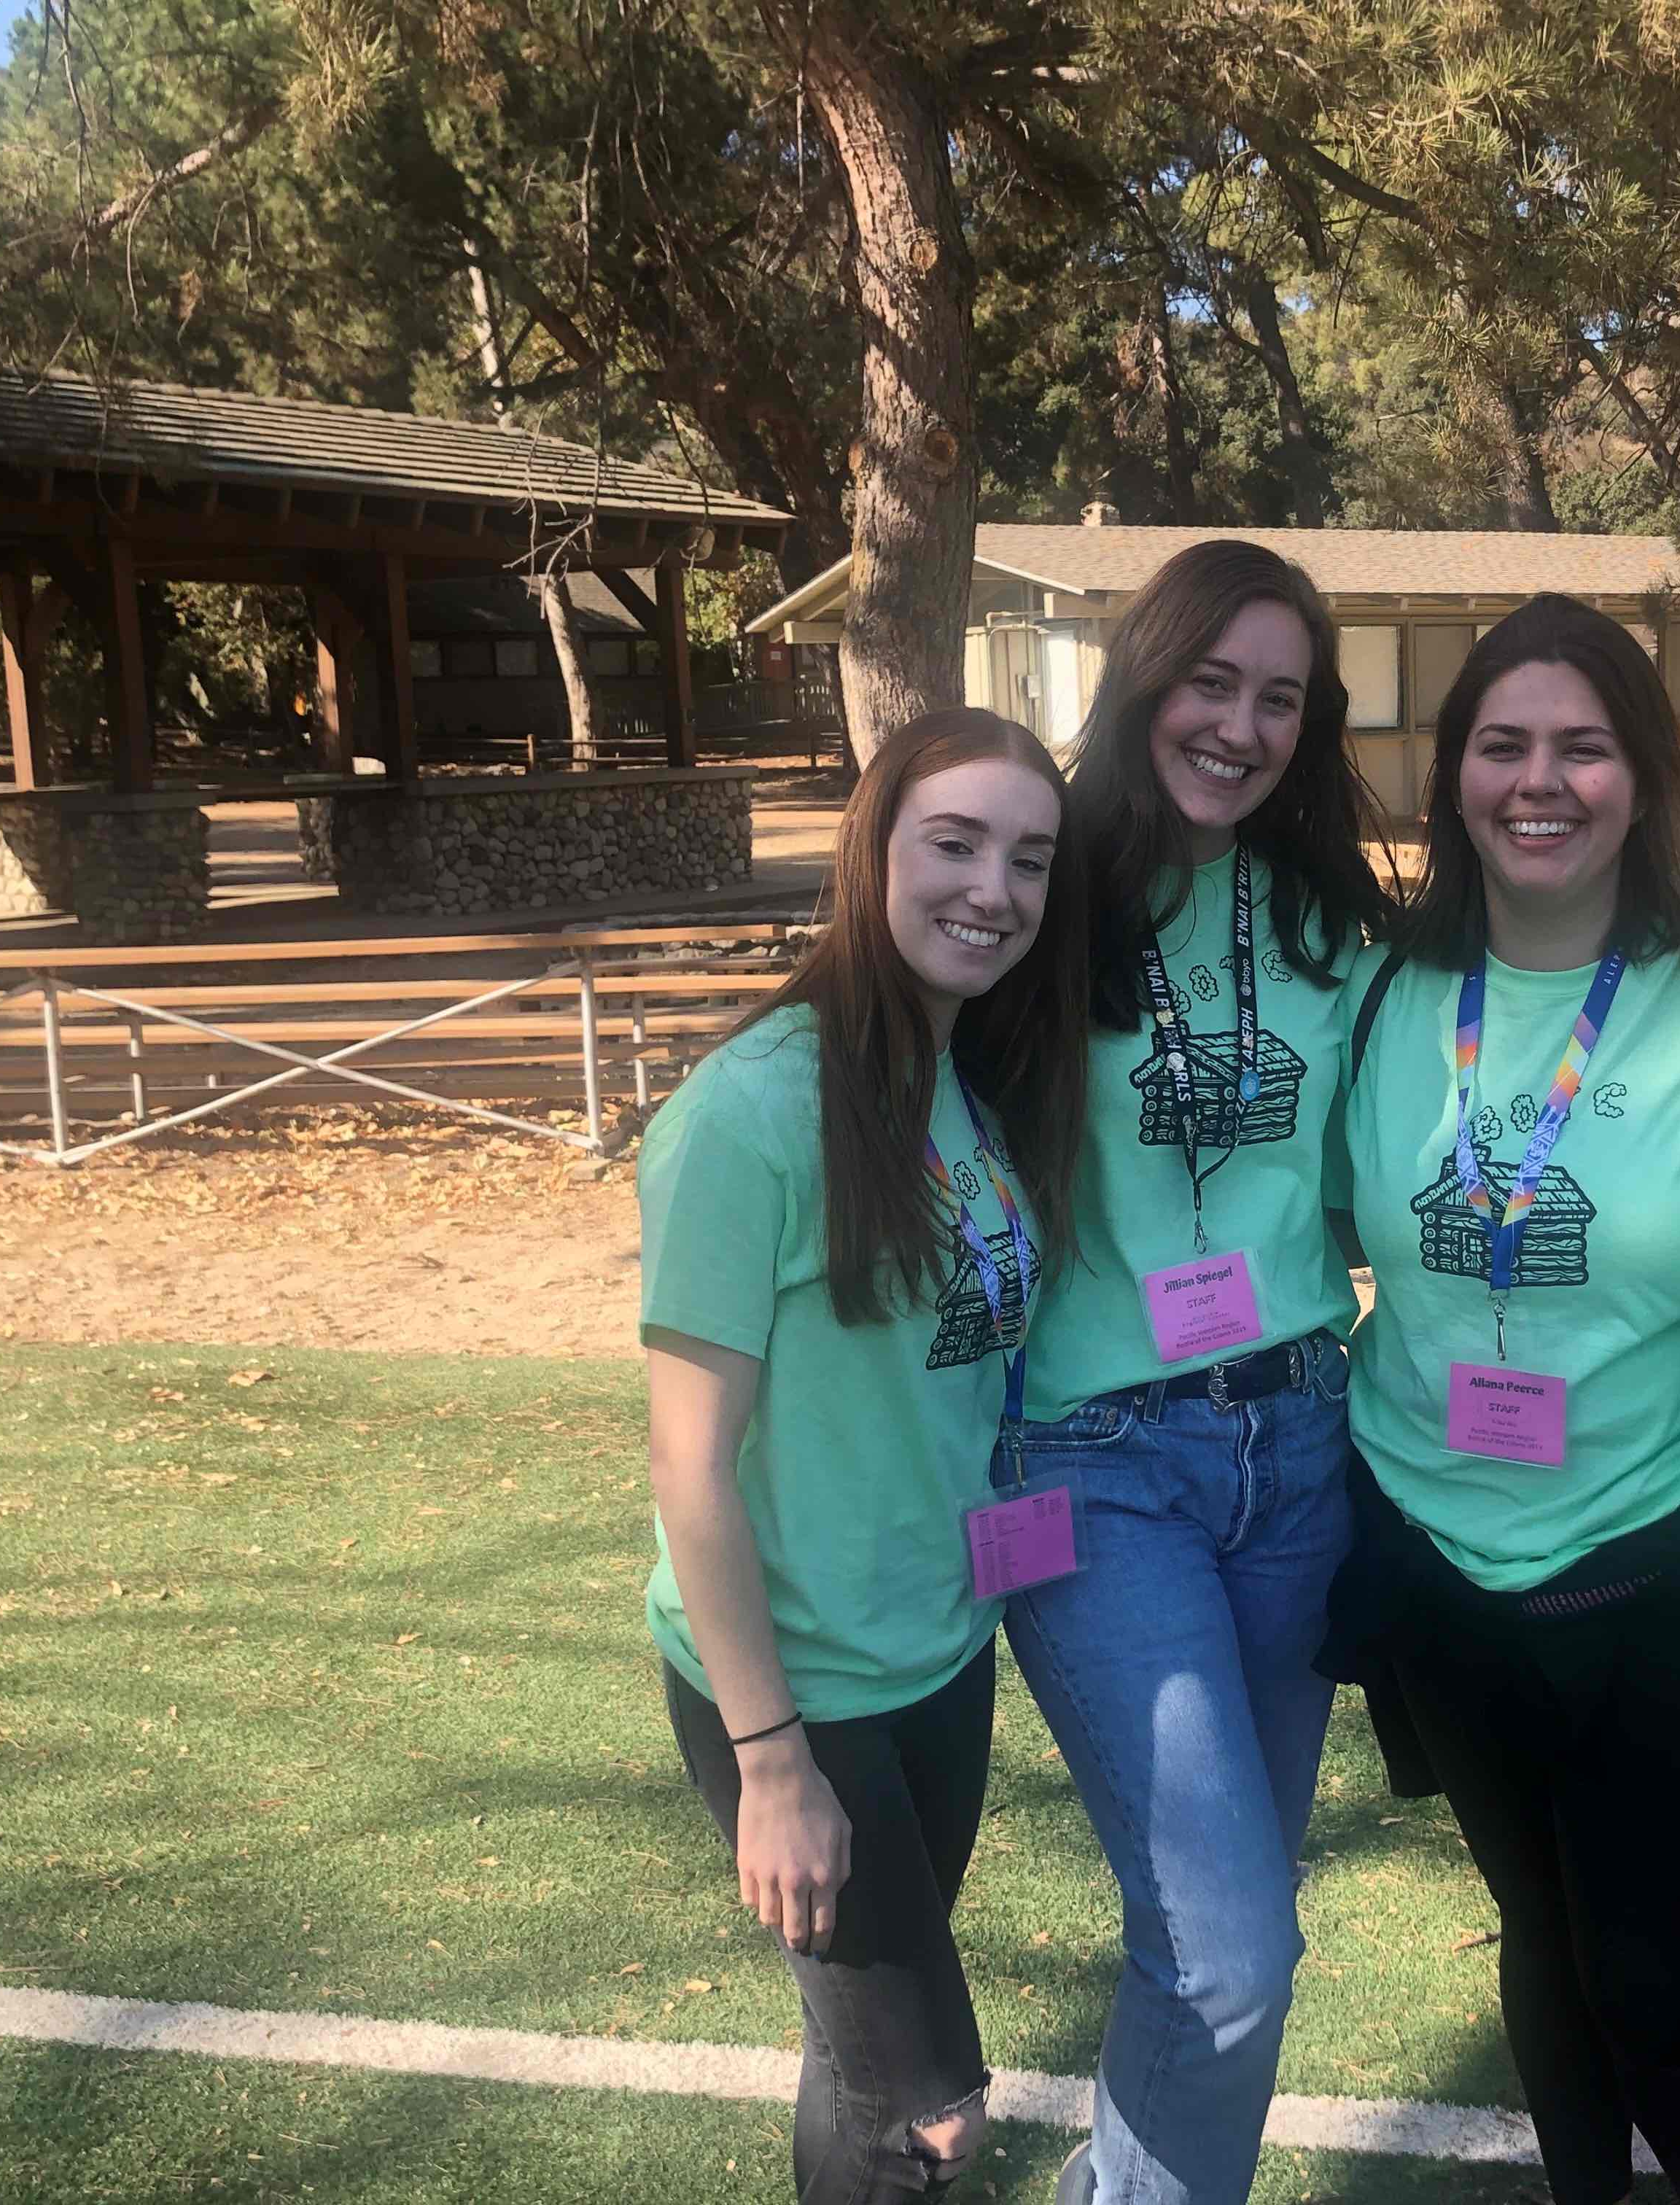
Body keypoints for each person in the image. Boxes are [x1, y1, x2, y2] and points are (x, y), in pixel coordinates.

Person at [1327, 594, 1680, 2205]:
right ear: (1454, 772)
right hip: (1441, 1567)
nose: (1543, 781)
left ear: (1648, 776)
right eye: (1503, 744)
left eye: (1584, 747)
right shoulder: (1386, 999)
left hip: (1663, 1564)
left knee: (1657, 1970)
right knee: (1542, 1936)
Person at [639, 708, 1089, 2204]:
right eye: (953, 843)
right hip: (801, 1689)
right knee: (933, 2112)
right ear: (873, 849)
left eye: (1029, 858)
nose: (993, 889)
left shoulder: (965, 1083)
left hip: (939, 1656)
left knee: (862, 2076)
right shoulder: (749, 1112)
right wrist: (772, 1766)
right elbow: (691, 1463)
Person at [1008, 540, 1396, 2205]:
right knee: (1230, 1952)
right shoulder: (1043, 898)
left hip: (1298, 1449)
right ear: (1143, 677)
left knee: (1213, 1945)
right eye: (1211, 681)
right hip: (1092, 1467)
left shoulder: (1330, 925)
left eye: (1281, 699)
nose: (1239, 726)